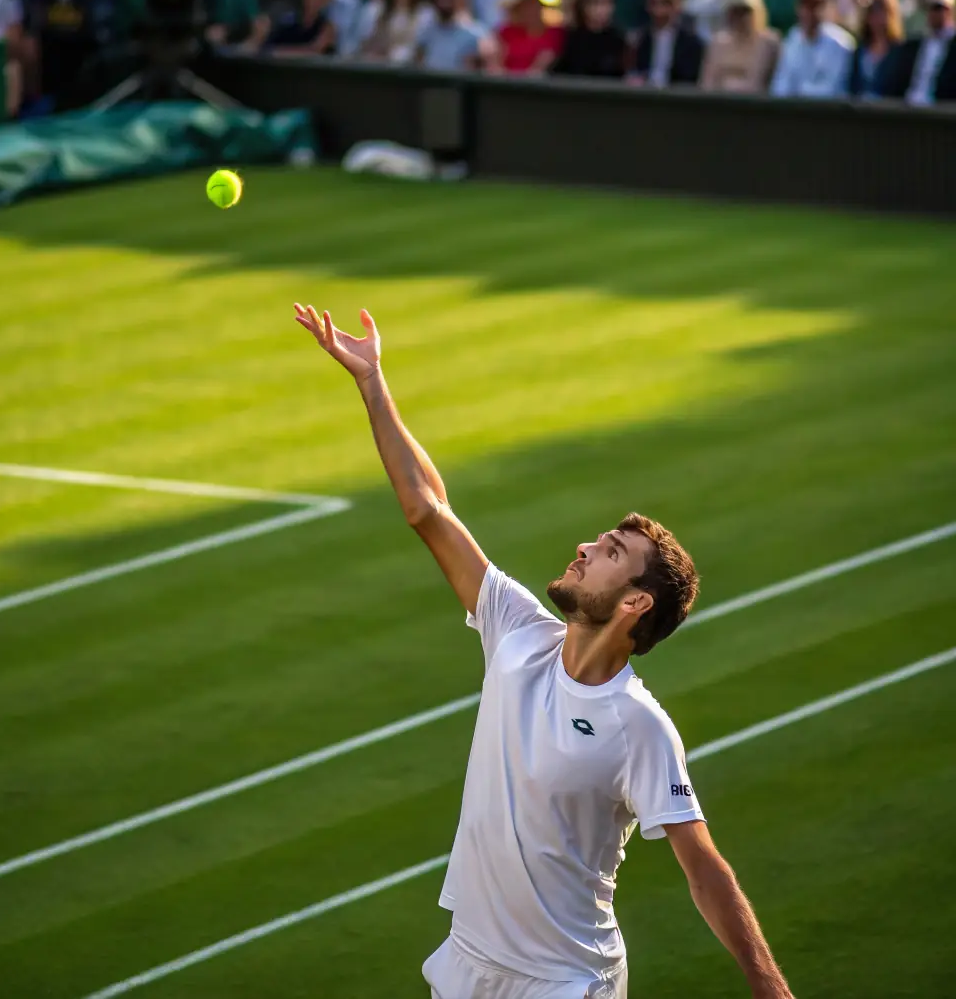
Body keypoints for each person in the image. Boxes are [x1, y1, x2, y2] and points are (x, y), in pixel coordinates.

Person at [292, 304, 797, 999]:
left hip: (565, 982)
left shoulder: (638, 726)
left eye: (611, 553)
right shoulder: (516, 627)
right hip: (468, 963)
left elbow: (704, 868)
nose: (586, 547)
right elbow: (428, 510)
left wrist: (771, 988)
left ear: (634, 603)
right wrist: (373, 380)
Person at [769, 0, 855, 99]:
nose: (809, 13)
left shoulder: (841, 43)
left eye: (815, 6)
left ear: (825, 9)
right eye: (805, 6)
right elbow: (781, 83)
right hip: (794, 111)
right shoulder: (792, 38)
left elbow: (834, 89)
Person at [876, 0, 956, 104]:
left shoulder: (953, 46)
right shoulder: (913, 46)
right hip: (910, 109)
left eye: (939, 7)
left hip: (942, 112)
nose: (935, 13)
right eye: (929, 7)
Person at [699, 0, 780, 93]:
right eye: (735, 11)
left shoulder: (768, 43)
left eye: (744, 11)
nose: (739, 17)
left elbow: (757, 84)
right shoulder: (718, 43)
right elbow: (707, 84)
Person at [629, 0, 704, 88]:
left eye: (666, 3)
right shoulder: (638, 39)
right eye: (654, 3)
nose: (659, 10)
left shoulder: (692, 43)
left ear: (678, 5)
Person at [415, 0, 496, 71]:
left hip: (461, 85)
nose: (444, 1)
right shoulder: (427, 31)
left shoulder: (476, 33)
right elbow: (418, 62)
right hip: (431, 85)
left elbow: (490, 69)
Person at [551, 0, 626, 78]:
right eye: (596, 4)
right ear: (583, 7)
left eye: (607, 4)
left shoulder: (618, 38)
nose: (602, 10)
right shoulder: (571, 38)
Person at [496, 0, 566, 74]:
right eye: (527, 5)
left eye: (536, 4)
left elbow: (540, 68)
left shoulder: (556, 34)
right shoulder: (507, 32)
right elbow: (496, 66)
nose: (531, 10)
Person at [847, 0, 905, 97]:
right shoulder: (859, 51)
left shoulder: (900, 52)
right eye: (873, 12)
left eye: (882, 11)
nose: (877, 17)